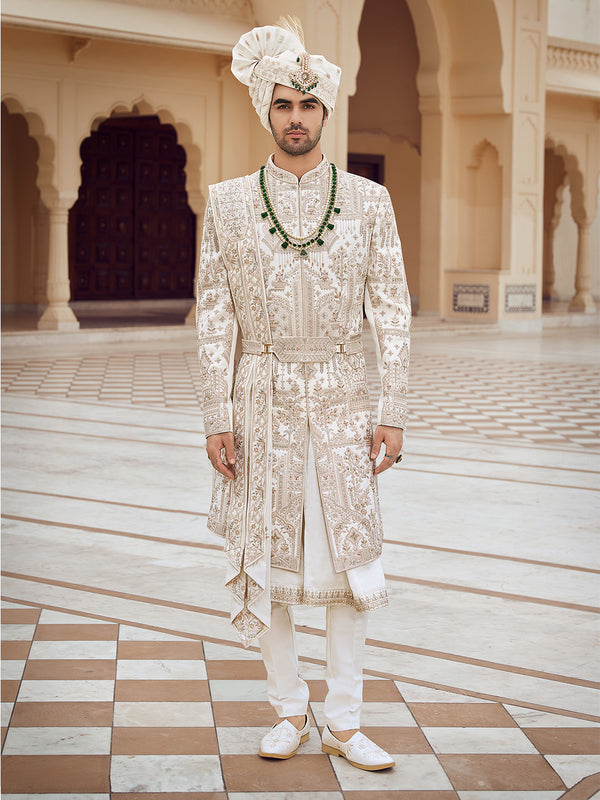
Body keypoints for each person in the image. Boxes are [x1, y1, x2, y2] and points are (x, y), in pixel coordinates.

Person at [196, 18, 411, 772]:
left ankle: (345, 721)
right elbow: (214, 317)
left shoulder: (369, 202)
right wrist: (217, 416)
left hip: (345, 401)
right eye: (284, 104)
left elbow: (392, 311)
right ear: (267, 110)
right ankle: (289, 709)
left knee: (350, 569)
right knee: (272, 566)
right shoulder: (226, 205)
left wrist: (392, 410)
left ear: (326, 112)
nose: (296, 118)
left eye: (308, 105)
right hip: (261, 401)